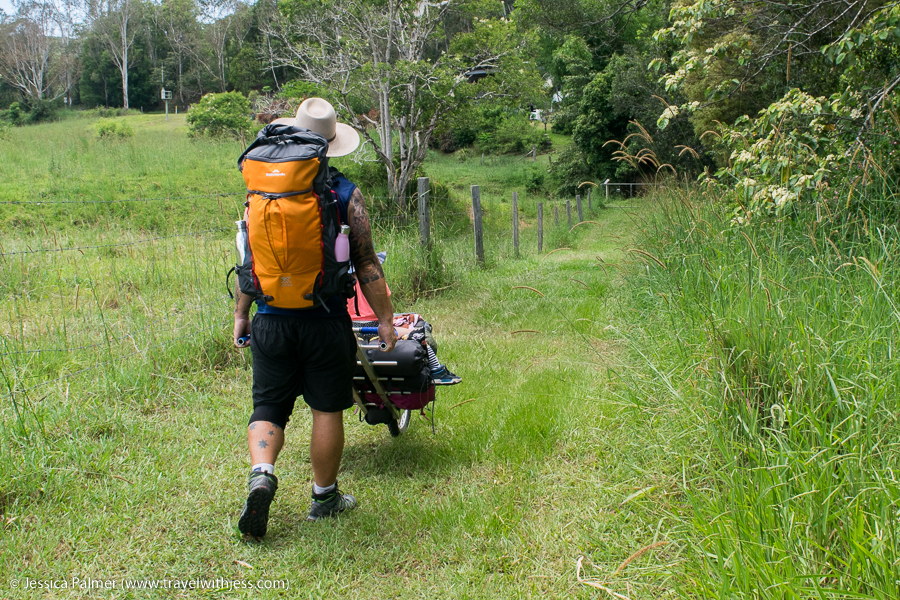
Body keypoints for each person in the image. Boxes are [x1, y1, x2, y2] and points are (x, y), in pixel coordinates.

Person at [233, 98, 397, 538]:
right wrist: (384, 320)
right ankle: (324, 497)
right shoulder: (344, 193)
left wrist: (241, 315)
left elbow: (250, 262)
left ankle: (262, 472)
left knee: (267, 404)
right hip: (325, 320)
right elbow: (365, 264)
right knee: (327, 409)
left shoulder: (261, 190)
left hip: (269, 317)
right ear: (331, 146)